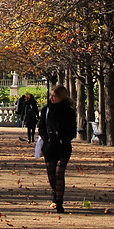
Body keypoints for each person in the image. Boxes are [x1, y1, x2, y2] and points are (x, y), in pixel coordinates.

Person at [38, 85, 77, 213]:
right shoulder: (46, 109)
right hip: (50, 146)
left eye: (54, 96)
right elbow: (41, 126)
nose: (51, 98)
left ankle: (59, 201)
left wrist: (65, 138)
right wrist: (46, 137)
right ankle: (55, 193)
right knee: (51, 175)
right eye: (51, 96)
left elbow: (72, 129)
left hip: (63, 146)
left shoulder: (68, 111)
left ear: (61, 97)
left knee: (59, 172)